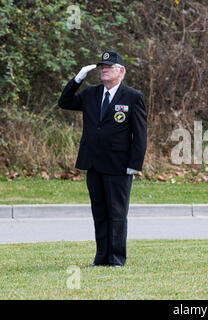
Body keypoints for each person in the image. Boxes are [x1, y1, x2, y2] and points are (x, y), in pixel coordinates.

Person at [58, 51, 147, 267]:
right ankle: (101, 258)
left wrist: (135, 164)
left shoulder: (132, 97)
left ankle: (116, 258)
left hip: (118, 165)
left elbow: (140, 134)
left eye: (109, 66)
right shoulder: (91, 93)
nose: (104, 70)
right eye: (102, 67)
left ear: (121, 71)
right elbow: (65, 102)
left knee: (116, 213)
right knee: (99, 213)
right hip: (93, 163)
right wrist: (77, 79)